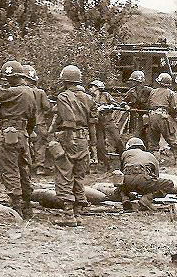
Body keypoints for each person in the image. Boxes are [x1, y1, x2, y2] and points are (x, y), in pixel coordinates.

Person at [48, 65, 97, 227]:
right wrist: (92, 145)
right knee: (78, 174)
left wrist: (56, 137)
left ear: (65, 81)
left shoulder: (63, 97)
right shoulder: (89, 98)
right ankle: (78, 210)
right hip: (84, 140)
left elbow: (66, 120)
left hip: (68, 138)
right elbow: (92, 124)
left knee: (64, 173)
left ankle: (68, 214)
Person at [0, 60, 36, 219]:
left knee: (9, 168)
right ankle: (27, 205)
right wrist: (26, 133)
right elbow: (32, 118)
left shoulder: (15, 91)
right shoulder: (30, 92)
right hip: (23, 133)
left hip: (10, 133)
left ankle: (16, 206)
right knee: (23, 169)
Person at [119, 137, 173, 211]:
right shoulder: (150, 155)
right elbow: (156, 174)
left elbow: (121, 172)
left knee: (120, 184)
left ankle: (125, 199)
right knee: (169, 184)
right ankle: (147, 198)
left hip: (127, 181)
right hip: (143, 180)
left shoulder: (125, 154)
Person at [22, 65, 52, 175]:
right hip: (39, 123)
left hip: (24, 122)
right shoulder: (40, 92)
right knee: (40, 146)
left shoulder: (20, 91)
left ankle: (26, 168)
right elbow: (47, 107)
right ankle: (39, 167)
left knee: (25, 144)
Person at [89, 79, 124, 171]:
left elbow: (116, 104)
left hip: (109, 121)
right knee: (100, 144)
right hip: (98, 123)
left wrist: (107, 107)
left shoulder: (106, 95)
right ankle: (105, 164)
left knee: (117, 139)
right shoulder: (90, 98)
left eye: (92, 86)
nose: (90, 88)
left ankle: (124, 160)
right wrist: (97, 109)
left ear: (98, 88)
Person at [148, 73, 177, 158]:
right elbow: (173, 108)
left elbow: (149, 104)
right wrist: (175, 116)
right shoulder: (170, 93)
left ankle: (154, 160)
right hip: (162, 117)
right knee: (171, 139)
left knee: (153, 141)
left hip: (152, 117)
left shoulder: (153, 91)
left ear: (159, 82)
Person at [123, 70, 152, 146]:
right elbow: (123, 102)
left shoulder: (149, 91)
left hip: (149, 116)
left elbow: (155, 101)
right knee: (137, 134)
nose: (132, 82)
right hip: (138, 117)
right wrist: (126, 106)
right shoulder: (131, 91)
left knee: (149, 135)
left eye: (133, 81)